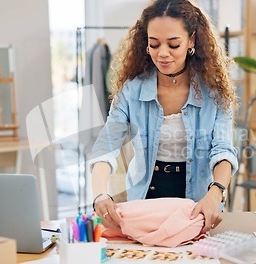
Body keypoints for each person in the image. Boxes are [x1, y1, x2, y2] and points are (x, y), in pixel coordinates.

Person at [90, 0, 238, 234]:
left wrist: (216, 191)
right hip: (145, 201)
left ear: (191, 40)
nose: (162, 53)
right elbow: (106, 147)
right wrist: (99, 193)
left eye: (173, 44)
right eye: (154, 44)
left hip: (197, 202)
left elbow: (223, 150)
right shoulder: (131, 90)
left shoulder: (214, 93)